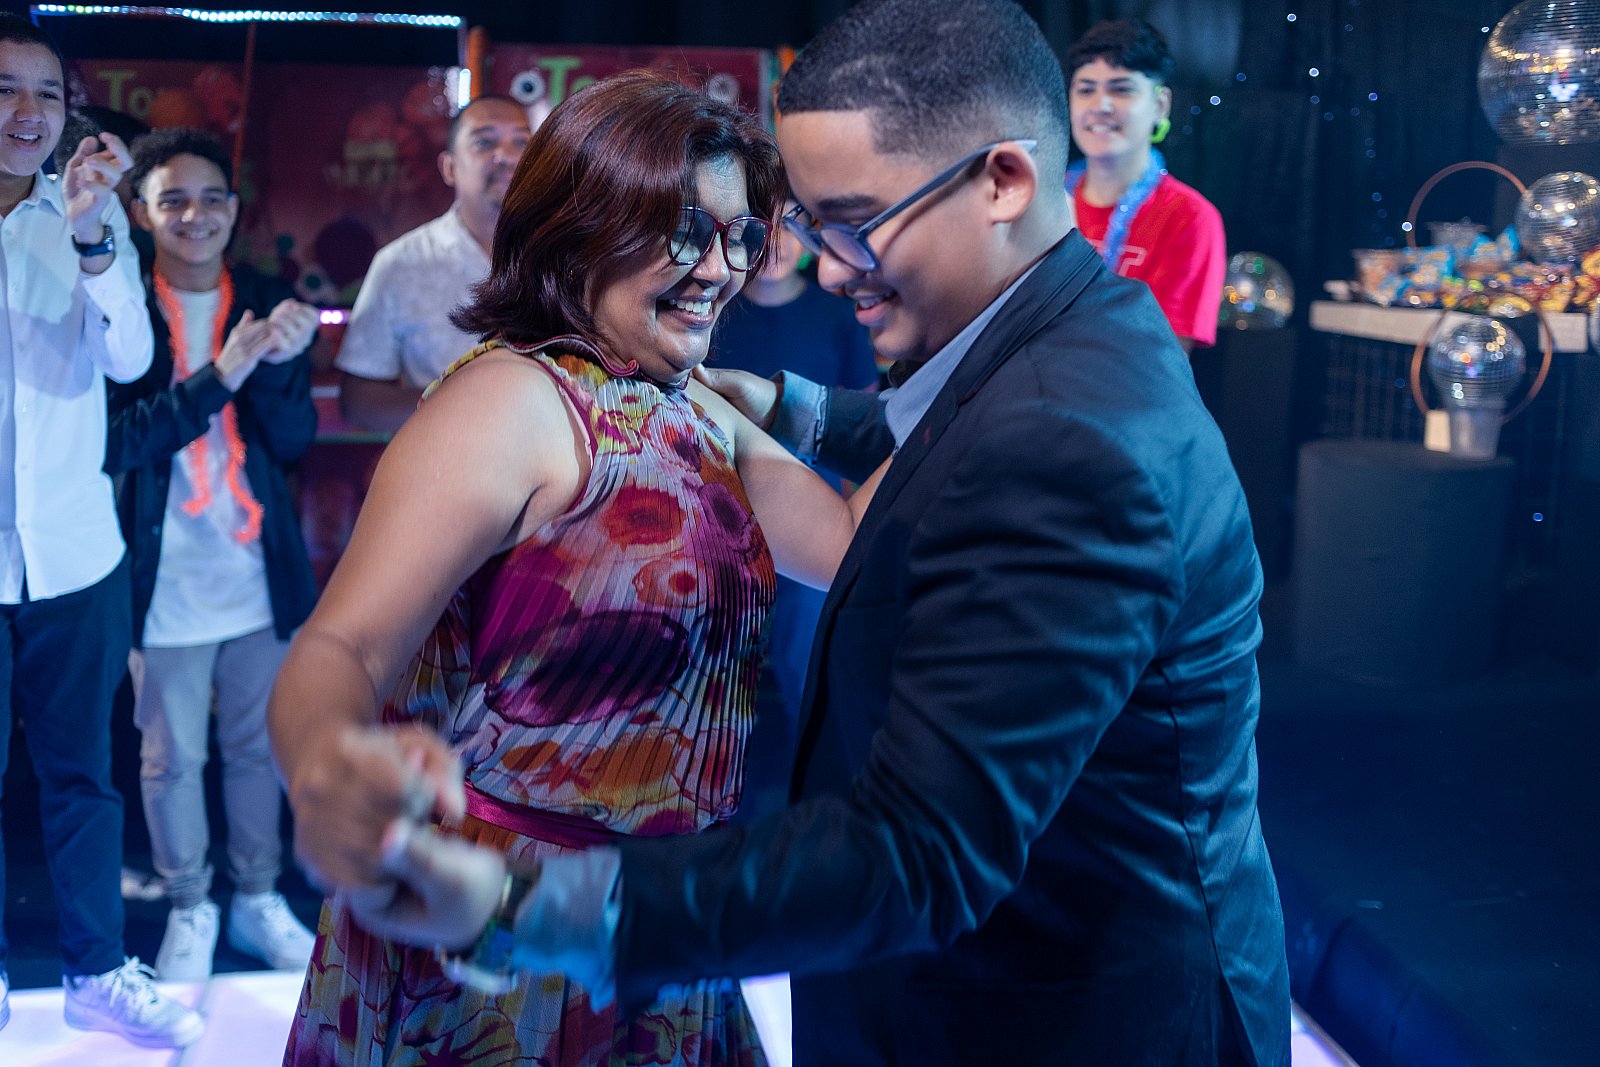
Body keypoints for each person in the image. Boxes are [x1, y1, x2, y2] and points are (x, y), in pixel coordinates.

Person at [320, 2, 1294, 1064]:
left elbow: (915, 852)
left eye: (852, 222)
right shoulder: (1080, 329)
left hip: (1051, 1013)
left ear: (1003, 182)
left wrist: (528, 903)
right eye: (807, 230)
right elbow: (951, 424)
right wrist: (797, 408)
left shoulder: (1060, 439)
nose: (823, 270)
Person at [268, 70, 881, 1065]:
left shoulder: (689, 400)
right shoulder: (512, 400)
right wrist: (327, 762)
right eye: (683, 231)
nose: (718, 268)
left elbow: (858, 539)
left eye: (738, 236)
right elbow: (342, 644)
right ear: (582, 227)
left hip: (655, 917)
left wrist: (953, 370)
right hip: (500, 937)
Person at [0, 13, 203, 1047]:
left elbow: (131, 361)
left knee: (84, 777)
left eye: (47, 93)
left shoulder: (85, 216)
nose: (27, 112)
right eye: (6, 89)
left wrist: (92, 234)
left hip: (75, 554)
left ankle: (95, 971)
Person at [104, 127, 320, 983]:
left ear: (234, 209)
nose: (195, 216)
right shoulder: (121, 306)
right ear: (141, 212)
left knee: (259, 747)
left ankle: (259, 898)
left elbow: (294, 439)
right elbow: (122, 441)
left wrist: (278, 364)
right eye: (174, 201)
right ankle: (190, 904)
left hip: (257, 572)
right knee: (170, 759)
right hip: (161, 580)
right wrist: (220, 375)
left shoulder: (264, 299)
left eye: (210, 199)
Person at [712, 200, 879, 821]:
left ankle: (813, 817)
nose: (777, 241)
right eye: (761, 226)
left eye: (792, 224)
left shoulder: (838, 315)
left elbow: (867, 424)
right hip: (722, 529)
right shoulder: (714, 310)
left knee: (804, 668)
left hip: (812, 529)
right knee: (724, 681)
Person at [334, 94, 532, 432]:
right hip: (448, 461)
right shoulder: (401, 264)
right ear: (449, 168)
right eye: (485, 143)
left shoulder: (569, 256)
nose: (506, 156)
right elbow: (359, 402)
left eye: (521, 143)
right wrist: (470, 405)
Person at [1066, 18, 1226, 353]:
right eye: (1086, 89)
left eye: (1121, 89)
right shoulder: (1038, 199)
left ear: (1160, 106)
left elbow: (1163, 362)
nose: (1100, 106)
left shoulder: (1189, 218)